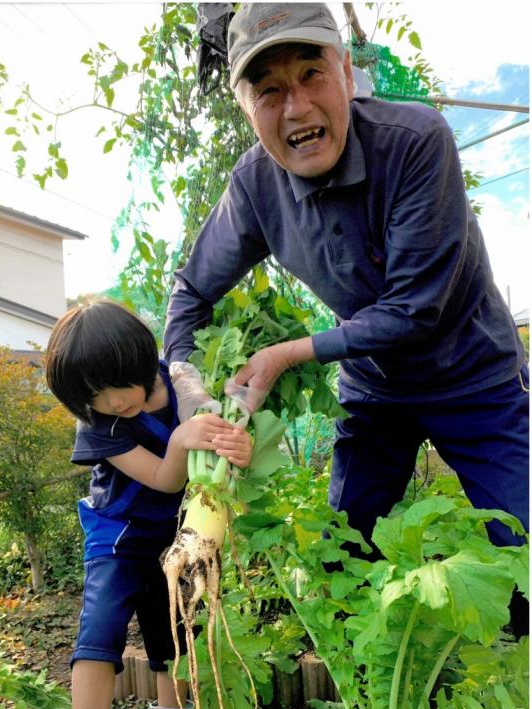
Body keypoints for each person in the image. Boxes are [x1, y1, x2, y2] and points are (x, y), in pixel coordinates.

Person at [164, 4, 529, 631]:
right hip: (374, 390)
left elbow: (414, 310)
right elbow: (189, 293)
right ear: (247, 110)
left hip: (476, 380)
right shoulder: (254, 187)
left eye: (311, 73)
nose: (297, 107)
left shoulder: (416, 142)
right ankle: (378, 684)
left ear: (346, 71)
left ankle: (509, 677)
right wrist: (191, 389)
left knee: (521, 546)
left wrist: (285, 354)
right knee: (343, 550)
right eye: (270, 90)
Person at [45, 300, 252, 709]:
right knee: (102, 629)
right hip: (118, 535)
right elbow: (164, 478)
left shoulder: (182, 381)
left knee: (175, 627)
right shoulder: (100, 426)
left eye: (117, 384)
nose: (114, 401)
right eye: (95, 395)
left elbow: (223, 431)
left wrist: (235, 441)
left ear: (139, 358)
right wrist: (181, 440)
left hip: (177, 531)